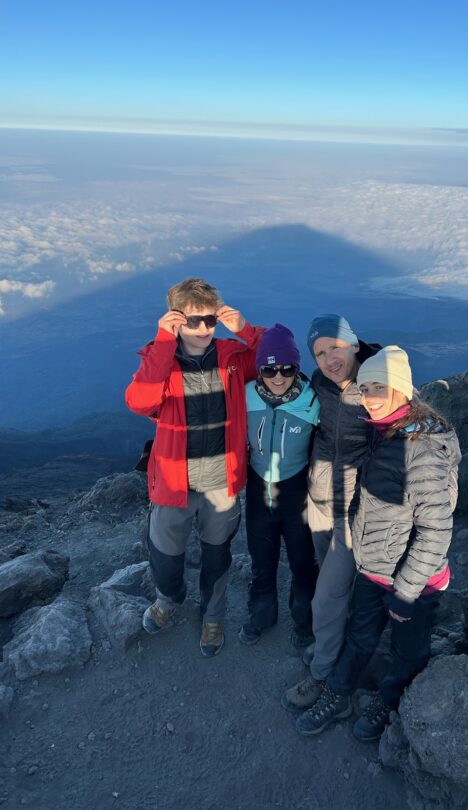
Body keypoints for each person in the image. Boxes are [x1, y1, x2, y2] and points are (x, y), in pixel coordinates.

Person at [293, 345, 461, 739]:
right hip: (376, 567)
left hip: (413, 583)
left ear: (402, 391)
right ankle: (338, 694)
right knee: (360, 635)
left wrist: (405, 592)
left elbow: (436, 530)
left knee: (409, 649)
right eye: (364, 388)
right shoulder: (388, 432)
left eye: (378, 389)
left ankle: (390, 700)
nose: (369, 400)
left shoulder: (421, 450)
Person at [125, 278, 264, 657]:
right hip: (173, 483)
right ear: (175, 321)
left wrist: (245, 329)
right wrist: (163, 342)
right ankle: (169, 598)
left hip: (221, 482)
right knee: (165, 555)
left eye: (210, 320)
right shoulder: (161, 360)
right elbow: (138, 400)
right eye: (193, 321)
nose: (203, 329)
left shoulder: (233, 358)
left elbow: (279, 356)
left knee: (217, 556)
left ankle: (213, 615)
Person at [282, 315, 378, 711]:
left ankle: (322, 674)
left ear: (354, 344)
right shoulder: (319, 384)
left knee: (325, 598)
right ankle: (333, 644)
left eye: (334, 347)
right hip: (318, 500)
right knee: (334, 589)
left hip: (354, 510)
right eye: (319, 353)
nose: (328, 358)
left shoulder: (378, 386)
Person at [239, 323, 320, 647]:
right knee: (262, 560)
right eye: (269, 368)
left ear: (297, 368)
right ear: (260, 369)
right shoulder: (244, 396)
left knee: (302, 562)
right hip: (259, 492)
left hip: (297, 492)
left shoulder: (314, 402)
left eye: (287, 368)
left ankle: (304, 624)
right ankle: (262, 616)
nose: (278, 376)